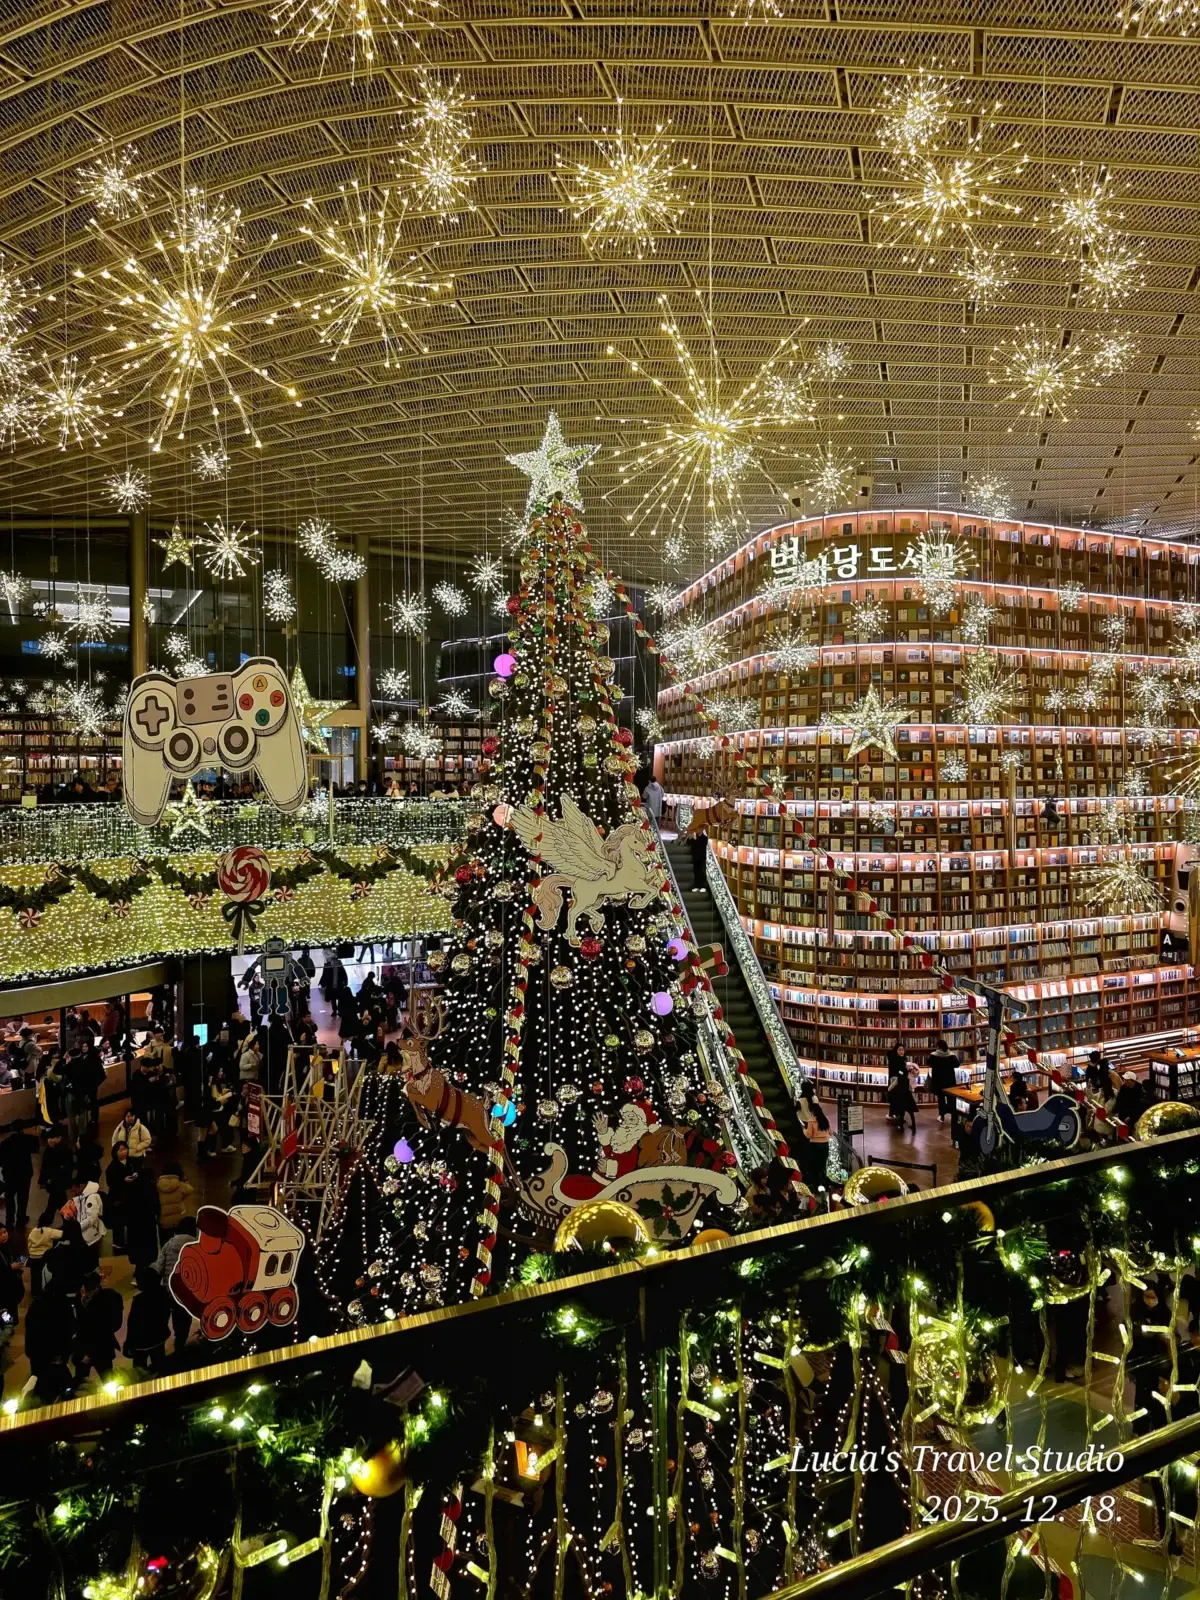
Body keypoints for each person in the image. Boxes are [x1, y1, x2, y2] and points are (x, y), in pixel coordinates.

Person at [23, 1283, 76, 1401]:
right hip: (58, 1357)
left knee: (42, 1389)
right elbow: (71, 1327)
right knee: (63, 1386)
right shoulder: (63, 1305)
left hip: (39, 1358)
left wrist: (31, 1353)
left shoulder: (35, 1307)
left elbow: (30, 1333)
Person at [154, 1216, 196, 1355]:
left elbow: (159, 1268)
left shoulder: (169, 1244)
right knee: (182, 1319)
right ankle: (180, 1346)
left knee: (161, 1320)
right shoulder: (197, 1245)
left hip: (168, 1289)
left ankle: (159, 1349)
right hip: (186, 1292)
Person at [74, 1269, 123, 1383]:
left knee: (108, 1381)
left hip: (99, 1349)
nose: (84, 1293)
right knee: (81, 1383)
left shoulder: (109, 1299)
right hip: (89, 1348)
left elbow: (110, 1326)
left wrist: (89, 1354)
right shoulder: (79, 1298)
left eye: (87, 1290)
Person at [124, 1266, 172, 1373]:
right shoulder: (163, 1294)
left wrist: (128, 1344)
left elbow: (133, 1324)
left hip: (142, 1343)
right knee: (160, 1365)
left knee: (139, 1371)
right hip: (159, 1338)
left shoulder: (139, 1300)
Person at [0, 1117, 37, 1227]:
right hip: (25, 1174)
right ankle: (21, 1219)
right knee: (23, 1197)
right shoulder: (29, 1140)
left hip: (9, 1175)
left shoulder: (4, 1143)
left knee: (9, 1197)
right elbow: (36, 1149)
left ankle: (9, 1220)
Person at [43, 1218, 90, 1299]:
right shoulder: (87, 1250)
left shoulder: (54, 1252)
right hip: (80, 1291)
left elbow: (48, 1271)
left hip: (58, 1293)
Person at [124, 1168, 161, 1268]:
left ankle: (138, 1268)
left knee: (136, 1247)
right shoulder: (151, 1187)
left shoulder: (132, 1186)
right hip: (148, 1222)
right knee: (147, 1247)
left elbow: (126, 1204)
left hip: (134, 1222)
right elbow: (156, 1205)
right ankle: (145, 1267)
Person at [39, 1126, 75, 1225]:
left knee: (54, 1204)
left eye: (52, 1138)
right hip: (53, 1183)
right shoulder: (48, 1150)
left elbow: (68, 1167)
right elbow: (44, 1166)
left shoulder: (65, 1151)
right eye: (48, 1138)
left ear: (59, 1138)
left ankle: (45, 1224)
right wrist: (42, 1180)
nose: (49, 1140)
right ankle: (68, 1224)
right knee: (58, 1203)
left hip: (59, 1182)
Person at [105, 1140, 136, 1251]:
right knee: (118, 1222)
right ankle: (118, 1243)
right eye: (120, 1150)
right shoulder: (112, 1167)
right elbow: (110, 1183)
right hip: (117, 1198)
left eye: (125, 1149)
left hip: (130, 1196)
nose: (123, 1152)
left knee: (130, 1219)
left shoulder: (131, 1162)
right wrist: (123, 1180)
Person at [68, 1176, 105, 1267]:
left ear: (81, 1186)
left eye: (75, 1190)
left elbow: (91, 1218)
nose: (74, 1193)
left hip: (92, 1235)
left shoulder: (91, 1197)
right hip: (85, 1233)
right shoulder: (83, 1196)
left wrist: (78, 1227)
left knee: (92, 1260)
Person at [926, 1037, 960, 1123]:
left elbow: (928, 1063)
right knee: (951, 1099)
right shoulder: (951, 1055)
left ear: (938, 1047)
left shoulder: (933, 1056)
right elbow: (957, 1065)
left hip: (938, 1082)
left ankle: (942, 1116)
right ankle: (953, 1116)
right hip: (950, 1082)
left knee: (941, 1099)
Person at [156, 1162, 194, 1238]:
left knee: (165, 1242)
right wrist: (185, 1180)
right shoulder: (180, 1184)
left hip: (164, 1220)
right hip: (178, 1220)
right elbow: (190, 1190)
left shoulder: (157, 1185)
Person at [886, 1042, 917, 1135]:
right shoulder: (894, 1059)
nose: (901, 1051)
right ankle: (895, 1116)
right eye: (899, 1050)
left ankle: (899, 1118)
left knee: (902, 1101)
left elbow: (903, 1070)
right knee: (896, 1099)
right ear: (896, 1051)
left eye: (902, 1050)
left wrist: (909, 1070)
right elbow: (896, 1071)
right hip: (896, 1081)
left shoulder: (904, 1059)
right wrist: (904, 1071)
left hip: (903, 1083)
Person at [686, 811, 709, 893]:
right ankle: (696, 885)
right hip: (695, 857)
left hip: (702, 857)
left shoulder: (704, 838)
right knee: (696, 871)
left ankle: (702, 886)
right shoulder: (693, 838)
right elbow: (688, 844)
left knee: (702, 872)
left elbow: (704, 846)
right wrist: (690, 838)